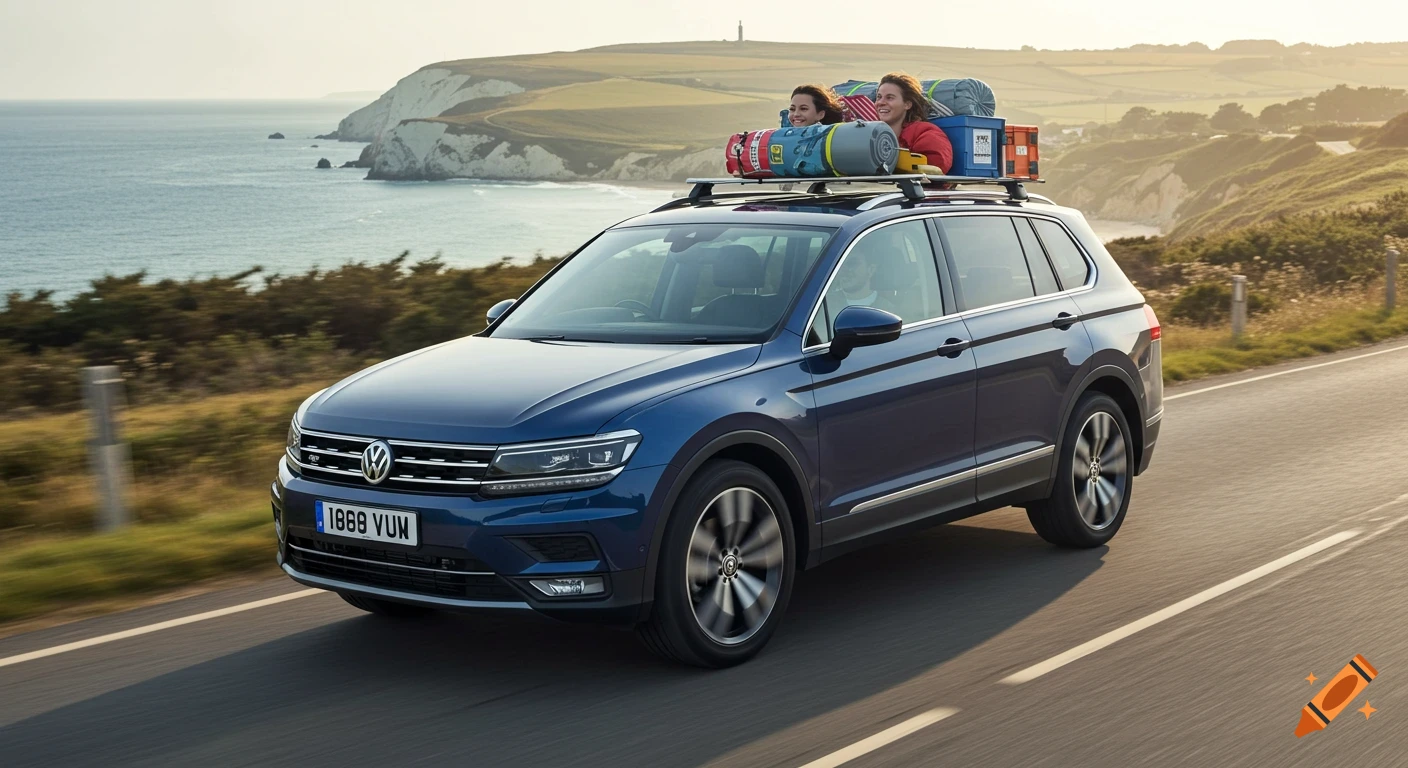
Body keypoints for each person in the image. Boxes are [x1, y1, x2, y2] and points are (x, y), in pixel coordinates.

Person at [874, 73, 953, 174]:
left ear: (907, 104)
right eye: (878, 97)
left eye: (890, 98)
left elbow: (937, 167)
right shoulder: (870, 134)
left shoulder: (926, 132)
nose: (881, 102)